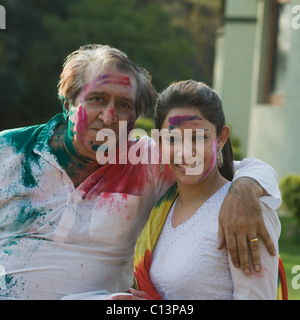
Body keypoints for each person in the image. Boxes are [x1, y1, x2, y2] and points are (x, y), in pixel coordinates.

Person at [0, 45, 281, 300]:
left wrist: (245, 187)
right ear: (68, 104)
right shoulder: (9, 150)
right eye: (97, 99)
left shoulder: (148, 160)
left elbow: (218, 164)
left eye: (124, 105)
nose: (109, 116)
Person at [118, 80, 280, 300]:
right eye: (173, 139)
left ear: (221, 138)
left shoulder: (243, 210)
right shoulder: (163, 205)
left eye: (198, 138)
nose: (186, 152)